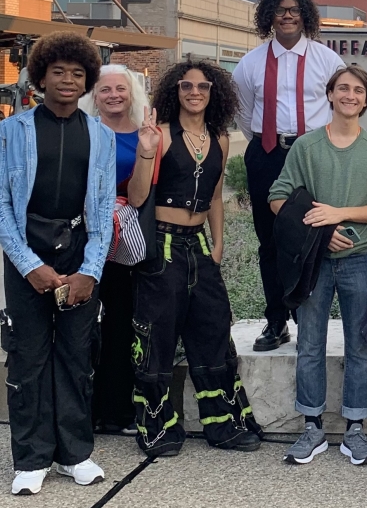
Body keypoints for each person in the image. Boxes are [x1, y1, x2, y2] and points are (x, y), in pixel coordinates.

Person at [127, 60, 262, 458]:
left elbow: (216, 196)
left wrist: (217, 243)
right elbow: (137, 198)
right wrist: (146, 153)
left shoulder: (219, 137)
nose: (195, 92)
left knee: (213, 330)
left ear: (213, 92)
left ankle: (223, 422)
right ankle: (156, 425)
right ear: (176, 90)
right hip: (162, 246)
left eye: (203, 86)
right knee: (157, 335)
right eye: (187, 85)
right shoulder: (161, 135)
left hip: (199, 246)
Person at [0, 32, 115, 494]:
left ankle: (75, 454)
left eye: (77, 73)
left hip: (79, 250)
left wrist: (90, 270)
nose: (68, 80)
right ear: (40, 77)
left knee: (75, 355)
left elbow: (104, 208)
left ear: (87, 81)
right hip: (26, 249)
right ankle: (29, 458)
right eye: (59, 72)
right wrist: (28, 263)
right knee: (27, 357)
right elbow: (3, 205)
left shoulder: (101, 135)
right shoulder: (11, 130)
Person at [268, 65, 367, 466]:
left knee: (361, 345)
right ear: (329, 94)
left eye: (359, 90)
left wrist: (339, 214)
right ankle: (312, 427)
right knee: (310, 344)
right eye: (343, 88)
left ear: (366, 100)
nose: (350, 95)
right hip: (314, 263)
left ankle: (355, 430)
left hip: (359, 261)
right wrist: (320, 234)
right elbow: (278, 199)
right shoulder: (306, 147)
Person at [233, 0, 345, 352]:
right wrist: (271, 142)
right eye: (279, 10)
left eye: (294, 9)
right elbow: (245, 114)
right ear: (268, 16)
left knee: (314, 237)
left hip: (314, 155)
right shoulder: (250, 63)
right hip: (268, 153)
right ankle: (277, 320)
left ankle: (308, 320)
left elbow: (340, 107)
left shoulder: (327, 61)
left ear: (305, 15)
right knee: (271, 240)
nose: (287, 15)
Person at [80, 64, 149, 436]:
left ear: (131, 92)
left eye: (120, 89)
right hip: (84, 238)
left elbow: (141, 193)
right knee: (82, 327)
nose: (113, 96)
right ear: (95, 95)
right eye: (105, 90)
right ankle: (83, 412)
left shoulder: (144, 136)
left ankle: (117, 411)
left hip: (123, 243)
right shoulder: (82, 132)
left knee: (122, 326)